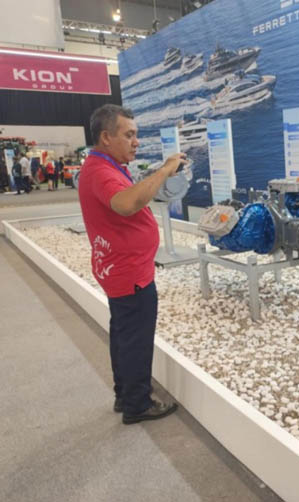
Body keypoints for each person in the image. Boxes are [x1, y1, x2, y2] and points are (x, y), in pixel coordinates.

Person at [78, 104, 183, 424]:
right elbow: (127, 204)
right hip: (128, 272)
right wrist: (164, 171)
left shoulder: (107, 165)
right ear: (106, 137)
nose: (136, 142)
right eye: (129, 135)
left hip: (121, 268)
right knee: (136, 338)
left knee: (124, 334)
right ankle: (137, 404)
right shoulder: (100, 171)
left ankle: (125, 395)